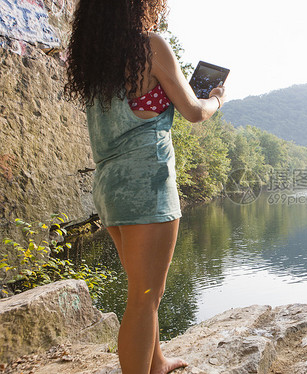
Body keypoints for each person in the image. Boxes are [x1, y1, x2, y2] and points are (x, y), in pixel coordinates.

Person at [65, 1, 226, 373]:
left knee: (147, 289)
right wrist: (216, 98)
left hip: (109, 187)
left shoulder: (94, 59)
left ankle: (156, 362)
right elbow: (194, 112)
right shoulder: (149, 46)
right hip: (147, 184)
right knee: (143, 297)